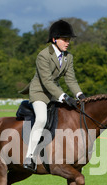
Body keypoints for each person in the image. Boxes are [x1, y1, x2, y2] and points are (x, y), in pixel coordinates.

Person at [20, 19, 85, 172]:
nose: (68, 43)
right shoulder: (43, 55)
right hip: (40, 92)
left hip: (54, 92)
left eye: (69, 40)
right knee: (42, 118)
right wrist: (64, 97)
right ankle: (29, 156)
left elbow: (71, 79)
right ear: (55, 39)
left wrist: (80, 95)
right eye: (65, 39)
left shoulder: (69, 57)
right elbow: (47, 81)